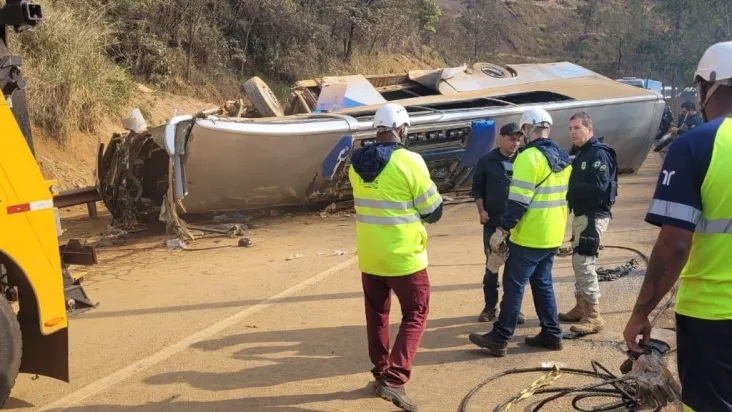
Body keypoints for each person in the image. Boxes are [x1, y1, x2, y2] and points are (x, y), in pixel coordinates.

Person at [623, 40, 732, 412]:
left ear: (707, 88)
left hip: (715, 315)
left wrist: (641, 312)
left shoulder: (697, 145)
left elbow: (674, 245)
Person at [348, 102, 443, 412]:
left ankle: (380, 373)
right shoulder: (410, 161)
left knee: (377, 314)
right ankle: (396, 379)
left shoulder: (355, 163)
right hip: (404, 257)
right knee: (416, 313)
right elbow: (433, 211)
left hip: (371, 256)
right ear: (402, 129)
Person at [468, 107, 572, 357]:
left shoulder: (529, 157)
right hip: (552, 233)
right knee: (543, 283)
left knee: (513, 285)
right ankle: (552, 333)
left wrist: (503, 228)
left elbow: (518, 201)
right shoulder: (563, 157)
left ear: (527, 129)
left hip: (529, 235)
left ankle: (500, 336)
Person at [559, 112, 618, 335]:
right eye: (570, 128)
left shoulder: (598, 154)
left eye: (577, 128)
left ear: (589, 129)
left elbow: (599, 187)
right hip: (582, 215)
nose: (573, 132)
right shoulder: (582, 153)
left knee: (584, 262)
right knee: (578, 261)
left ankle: (593, 315)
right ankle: (581, 306)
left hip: (593, 216)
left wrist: (570, 190)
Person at [471, 122, 524, 323]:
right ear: (500, 138)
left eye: (519, 139)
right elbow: (477, 189)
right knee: (492, 267)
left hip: (517, 226)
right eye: (512, 139)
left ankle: (512, 309)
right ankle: (489, 307)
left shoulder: (525, 159)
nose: (516, 143)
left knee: (514, 271)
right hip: (494, 224)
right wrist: (481, 210)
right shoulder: (486, 161)